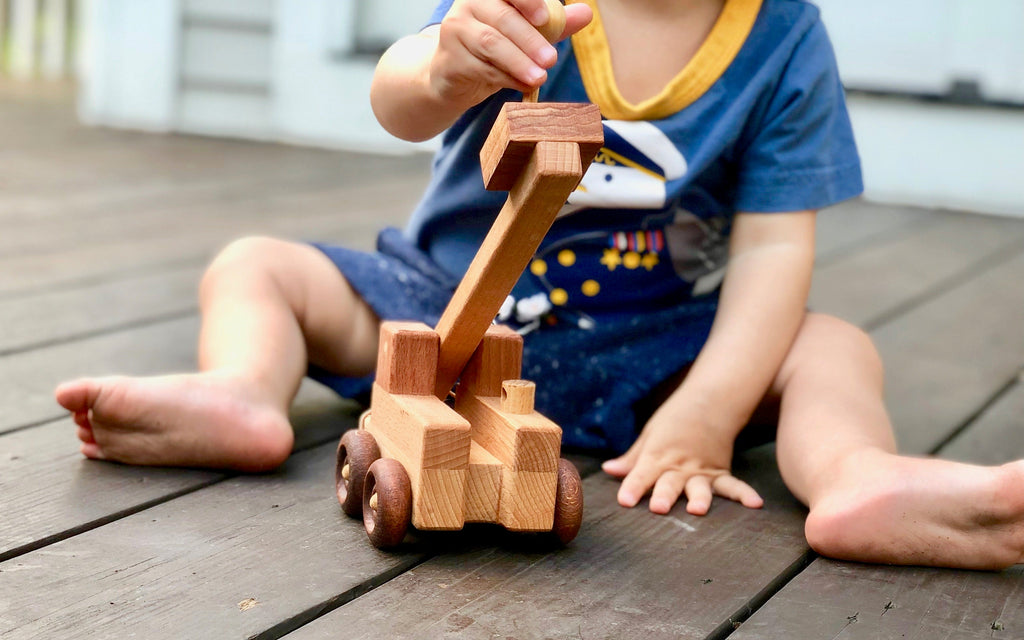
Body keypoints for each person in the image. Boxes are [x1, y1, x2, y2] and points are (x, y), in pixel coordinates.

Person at [55, 0, 1024, 570]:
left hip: (649, 357)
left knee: (832, 345)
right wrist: (441, 63)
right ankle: (241, 392)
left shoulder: (782, 37)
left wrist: (706, 411)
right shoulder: (528, 4)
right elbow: (397, 99)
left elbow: (774, 250)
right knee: (257, 264)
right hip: (436, 311)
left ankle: (855, 476)